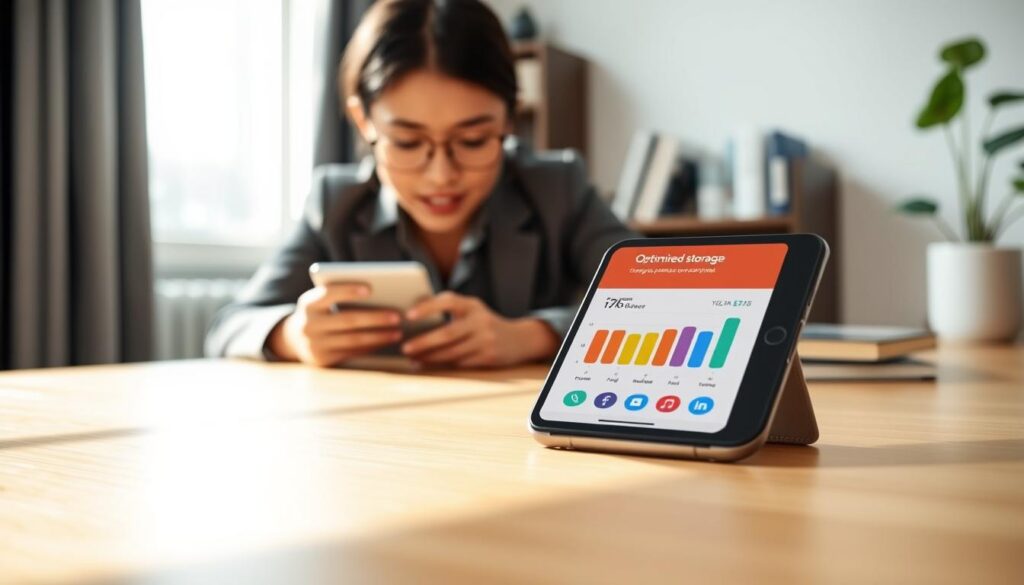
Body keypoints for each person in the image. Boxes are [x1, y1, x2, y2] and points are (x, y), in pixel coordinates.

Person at [205, 0, 636, 368]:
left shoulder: (557, 188)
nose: (441, 176)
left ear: (509, 117)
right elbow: (230, 326)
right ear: (364, 121)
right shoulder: (335, 202)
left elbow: (662, 304)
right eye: (409, 142)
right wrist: (292, 335)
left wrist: (534, 335)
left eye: (472, 140)